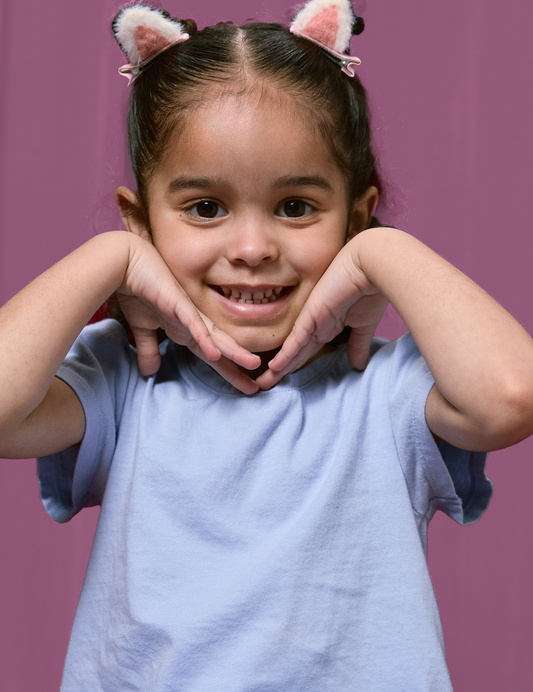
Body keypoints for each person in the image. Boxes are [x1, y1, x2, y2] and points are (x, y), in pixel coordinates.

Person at [1, 0, 533, 689]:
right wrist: (111, 257)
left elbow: (512, 397)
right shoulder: (123, 380)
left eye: (295, 207)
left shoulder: (386, 388)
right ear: (143, 223)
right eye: (205, 208)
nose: (252, 248)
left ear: (354, 218)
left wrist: (385, 254)